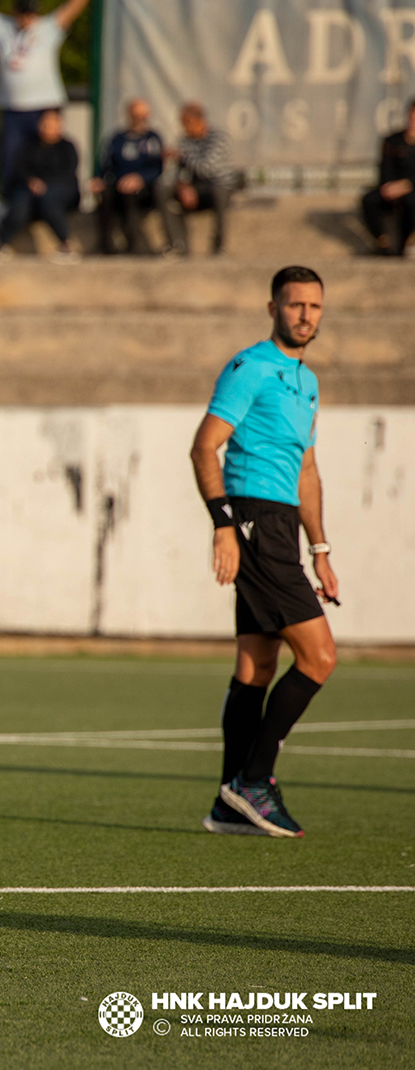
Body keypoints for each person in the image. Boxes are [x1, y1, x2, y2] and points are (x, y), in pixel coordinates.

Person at [189, 266, 338, 839]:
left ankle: (229, 804)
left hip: (281, 527)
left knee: (256, 664)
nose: (305, 315)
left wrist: (320, 549)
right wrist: (224, 525)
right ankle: (254, 780)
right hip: (251, 518)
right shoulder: (250, 367)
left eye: (315, 307)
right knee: (319, 657)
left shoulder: (306, 380)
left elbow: (305, 469)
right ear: (272, 307)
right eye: (295, 305)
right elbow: (204, 448)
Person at [0, 0, 91, 197]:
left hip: (44, 106)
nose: (27, 19)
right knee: (11, 158)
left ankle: (53, 199)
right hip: (12, 108)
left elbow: (71, 9)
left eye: (31, 14)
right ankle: (14, 202)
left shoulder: (47, 27)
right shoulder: (1, 26)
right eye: (23, 13)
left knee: (48, 156)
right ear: (15, 12)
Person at [0, 108, 81, 259]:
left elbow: (68, 173)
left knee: (50, 202)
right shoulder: (29, 146)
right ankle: (1, 245)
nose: (48, 127)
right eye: (45, 123)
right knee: (20, 203)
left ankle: (66, 244)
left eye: (52, 123)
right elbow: (20, 169)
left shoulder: (67, 147)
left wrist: (47, 185)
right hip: (31, 190)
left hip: (60, 191)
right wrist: (32, 182)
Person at [91, 98, 167, 255]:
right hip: (118, 184)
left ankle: (133, 246)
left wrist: (140, 179)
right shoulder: (117, 138)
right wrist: (98, 179)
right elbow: (105, 164)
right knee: (105, 194)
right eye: (136, 115)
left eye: (143, 116)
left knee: (130, 195)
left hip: (144, 188)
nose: (140, 119)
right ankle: (105, 245)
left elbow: (158, 168)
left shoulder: (152, 139)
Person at [164, 102, 237, 256]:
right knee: (166, 194)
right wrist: (184, 187)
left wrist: (183, 156)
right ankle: (178, 245)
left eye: (186, 123)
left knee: (220, 192)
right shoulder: (184, 141)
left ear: (197, 120)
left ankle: (219, 246)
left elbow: (206, 168)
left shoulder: (218, 138)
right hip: (194, 188)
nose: (185, 128)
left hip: (217, 186)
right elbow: (177, 170)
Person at [361, 97, 415, 257]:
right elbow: (385, 168)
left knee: (411, 202)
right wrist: (389, 187)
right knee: (370, 200)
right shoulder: (392, 140)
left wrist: (406, 185)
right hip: (391, 189)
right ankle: (383, 242)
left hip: (411, 190)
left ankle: (408, 242)